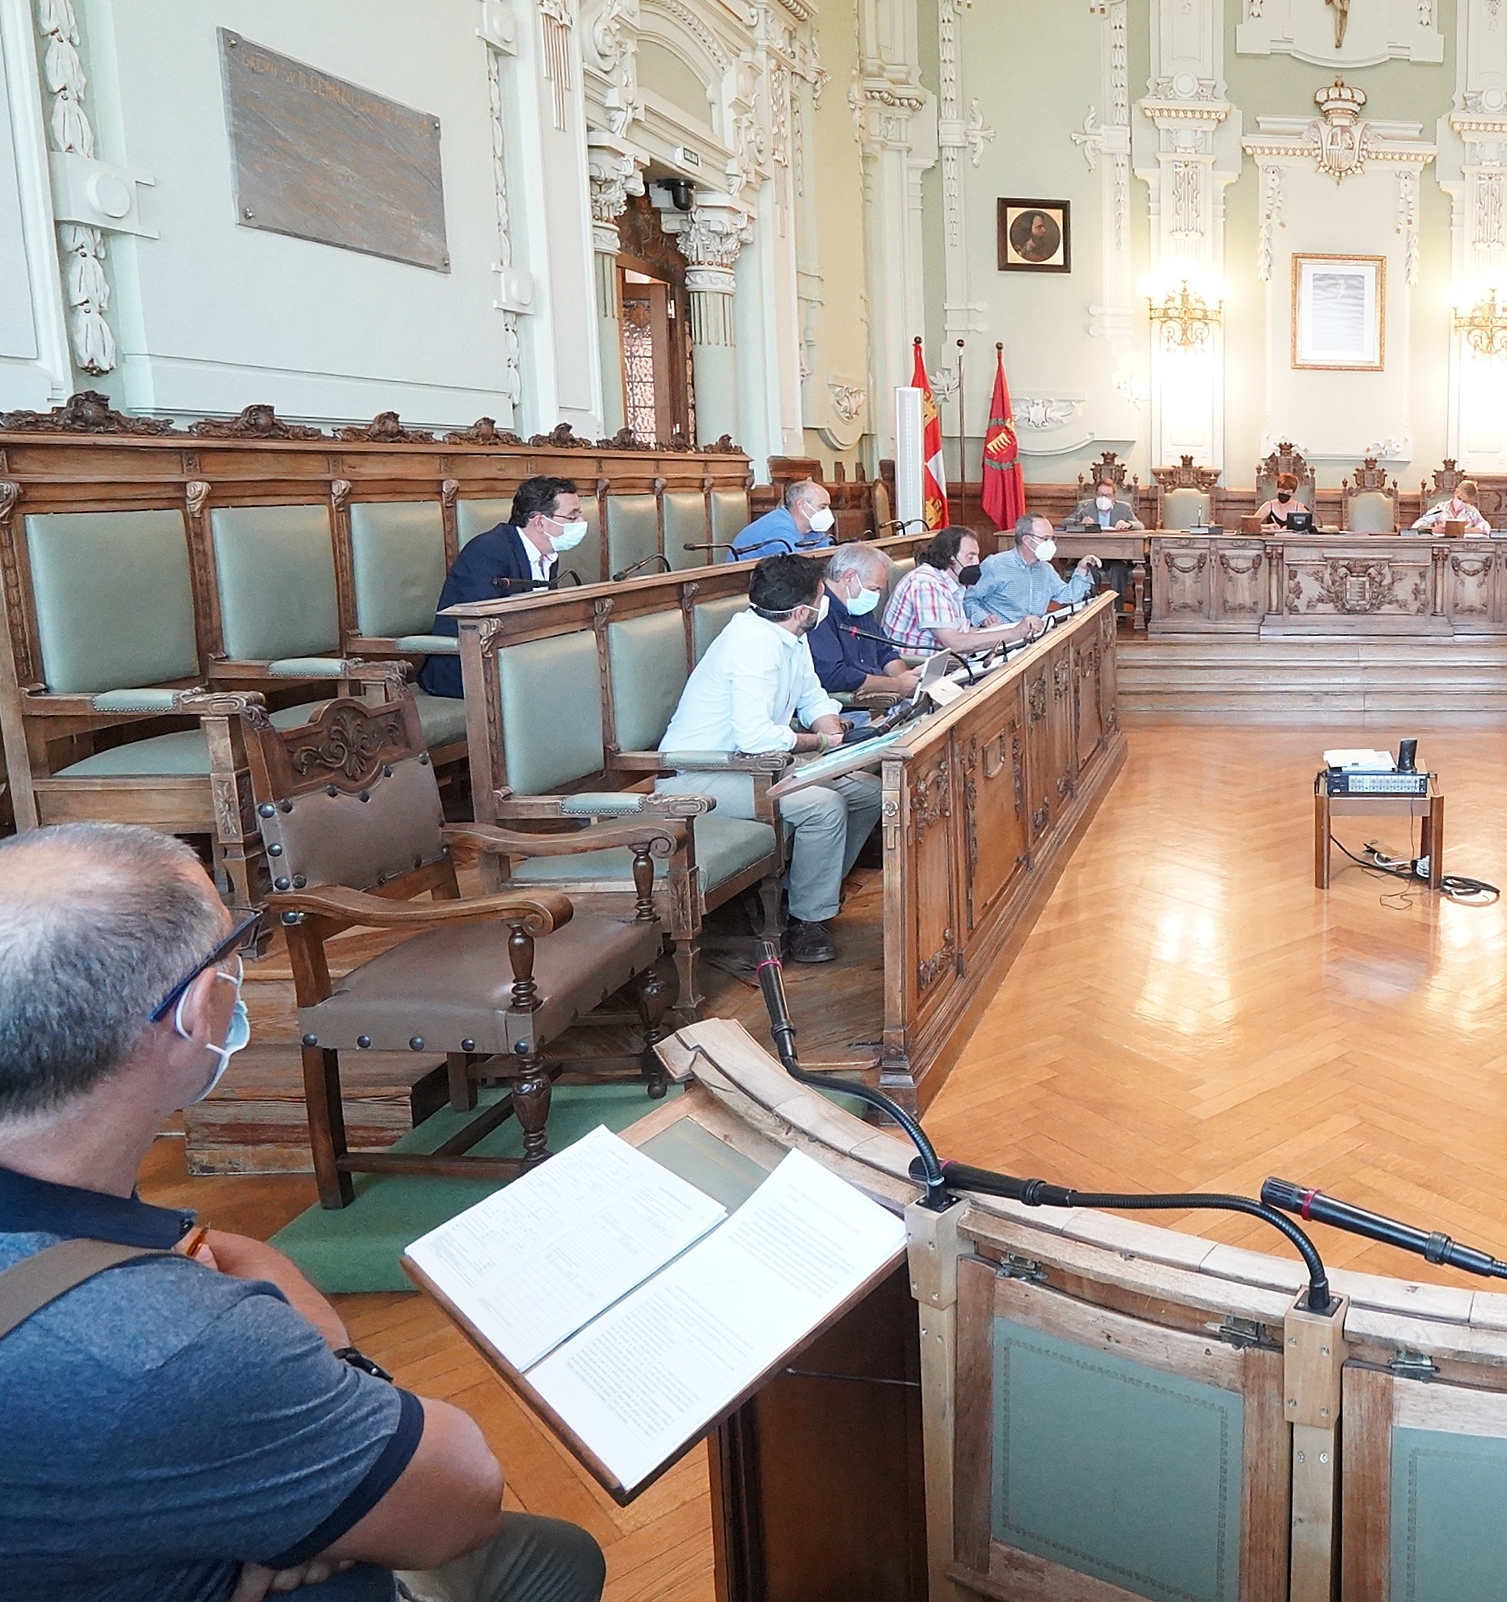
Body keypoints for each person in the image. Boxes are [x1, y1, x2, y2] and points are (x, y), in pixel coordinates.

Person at [0, 822, 605, 1602]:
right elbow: (463, 1499)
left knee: (553, 1552)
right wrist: (333, 1362)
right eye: (233, 952)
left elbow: (212, 1251)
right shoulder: (172, 1351)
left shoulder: (79, 1230)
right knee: (547, 1559)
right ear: (195, 1012)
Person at [658, 556, 883, 965]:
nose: (824, 604)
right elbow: (756, 737)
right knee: (823, 806)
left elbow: (813, 696)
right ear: (801, 611)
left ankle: (804, 892)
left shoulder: (790, 636)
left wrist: (830, 728)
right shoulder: (751, 646)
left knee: (868, 793)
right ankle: (806, 921)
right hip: (705, 773)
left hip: (759, 765)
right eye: (820, 597)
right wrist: (820, 741)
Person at [417, 477, 582, 699]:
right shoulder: (488, 552)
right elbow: (481, 626)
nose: (580, 522)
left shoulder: (548, 555)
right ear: (539, 522)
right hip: (465, 669)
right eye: (572, 517)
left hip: (521, 661)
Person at [881, 528, 1029, 658]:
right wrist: (1014, 633)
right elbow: (954, 643)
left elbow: (957, 630)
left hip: (945, 658)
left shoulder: (954, 584)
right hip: (916, 666)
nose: (976, 563)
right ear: (950, 557)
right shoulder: (927, 583)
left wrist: (988, 631)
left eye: (977, 556)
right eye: (970, 557)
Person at [809, 543, 916, 703]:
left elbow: (884, 652)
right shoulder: (818, 611)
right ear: (849, 577)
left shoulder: (858, 605)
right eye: (873, 589)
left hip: (887, 698)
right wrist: (897, 685)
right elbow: (835, 676)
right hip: (854, 705)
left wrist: (907, 680)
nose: (876, 596)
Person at [970, 516, 1100, 624]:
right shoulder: (995, 565)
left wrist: (1082, 569)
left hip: (1035, 635)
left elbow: (1068, 596)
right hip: (1003, 636)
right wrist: (984, 619)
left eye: (1052, 539)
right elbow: (970, 600)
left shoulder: (1046, 569)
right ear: (1027, 540)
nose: (1050, 544)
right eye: (1045, 539)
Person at [1067, 474, 1143, 611]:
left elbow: (1140, 525)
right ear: (1095, 495)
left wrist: (1128, 524)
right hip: (1090, 554)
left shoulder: (1124, 508)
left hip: (1115, 556)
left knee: (1118, 571)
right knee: (1090, 569)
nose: (1103, 498)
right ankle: (1089, 612)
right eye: (1100, 495)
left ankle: (1117, 612)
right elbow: (1065, 522)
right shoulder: (1085, 506)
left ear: (1114, 497)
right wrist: (1080, 522)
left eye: (1107, 495)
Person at [730, 480, 834, 559]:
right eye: (822, 507)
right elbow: (798, 569)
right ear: (801, 504)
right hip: (741, 579)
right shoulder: (779, 528)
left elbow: (830, 556)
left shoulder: (812, 529)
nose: (827, 512)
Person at [1411, 481, 1492, 534]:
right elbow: (1416, 526)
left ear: (1470, 501)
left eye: (1464, 501)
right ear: (1455, 492)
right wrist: (1434, 529)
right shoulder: (1441, 508)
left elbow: (1486, 528)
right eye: (1459, 498)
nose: (1460, 503)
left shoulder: (1471, 511)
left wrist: (1464, 531)